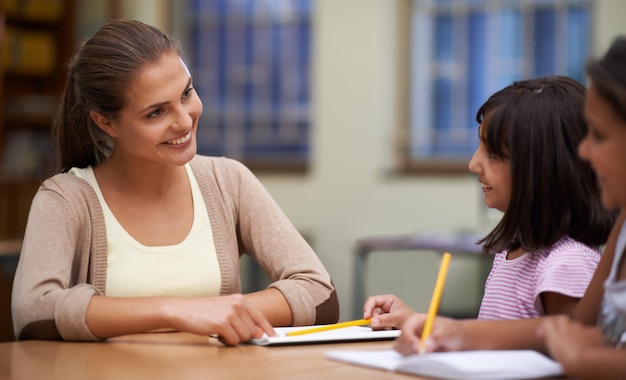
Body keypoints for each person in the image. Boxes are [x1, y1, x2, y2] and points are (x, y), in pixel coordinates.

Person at [11, 19, 339, 345]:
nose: (184, 121)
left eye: (186, 93)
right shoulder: (66, 199)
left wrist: (222, 310)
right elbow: (33, 313)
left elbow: (320, 294)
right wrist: (174, 311)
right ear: (105, 123)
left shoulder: (229, 181)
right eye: (156, 113)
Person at [394, 36, 626, 379]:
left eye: (601, 136)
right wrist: (443, 329)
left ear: (541, 168)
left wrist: (578, 357)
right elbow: (573, 331)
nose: (585, 153)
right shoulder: (620, 227)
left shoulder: (568, 261)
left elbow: (577, 345)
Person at [363, 76, 615, 329]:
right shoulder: (514, 250)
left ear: (544, 169)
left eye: (492, 153)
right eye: (479, 147)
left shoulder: (568, 263)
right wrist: (417, 323)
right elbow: (491, 342)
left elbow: (567, 357)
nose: (474, 164)